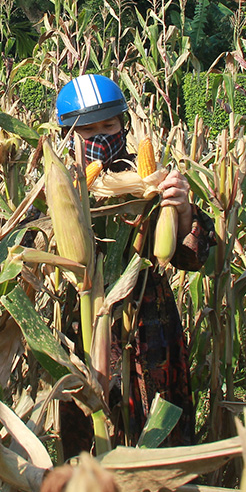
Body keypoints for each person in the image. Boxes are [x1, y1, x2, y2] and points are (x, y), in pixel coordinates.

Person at [55, 73, 216, 448]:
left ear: (123, 124)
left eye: (108, 125)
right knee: (93, 439)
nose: (99, 137)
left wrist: (183, 211)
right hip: (84, 328)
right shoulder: (55, 184)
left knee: (156, 438)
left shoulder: (151, 179)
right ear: (67, 135)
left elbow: (189, 258)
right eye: (86, 130)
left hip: (148, 326)